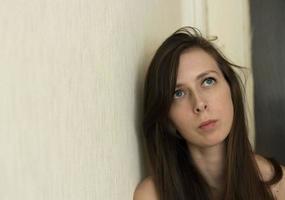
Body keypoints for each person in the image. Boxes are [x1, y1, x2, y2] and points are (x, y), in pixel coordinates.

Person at [134, 27, 285, 200]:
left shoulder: (280, 187)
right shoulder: (151, 196)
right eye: (178, 93)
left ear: (231, 88)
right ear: (167, 117)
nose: (199, 104)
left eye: (208, 81)